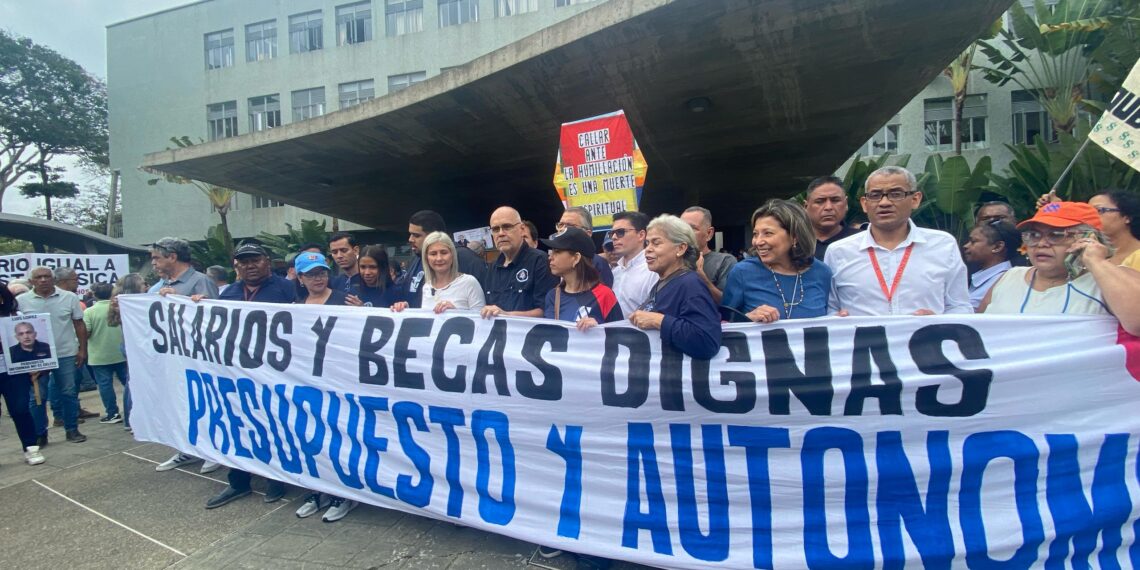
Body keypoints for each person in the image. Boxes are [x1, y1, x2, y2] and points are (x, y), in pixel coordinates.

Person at [204, 243, 292, 509]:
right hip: (237, 372)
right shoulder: (229, 293)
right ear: (236, 266)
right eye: (244, 262)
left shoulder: (287, 289)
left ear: (267, 261)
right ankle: (238, 481)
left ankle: (276, 479)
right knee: (237, 425)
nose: (250, 266)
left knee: (273, 425)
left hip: (274, 372)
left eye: (255, 260)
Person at [825, 166, 972, 316]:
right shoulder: (839, 251)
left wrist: (937, 322)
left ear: (915, 199)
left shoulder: (943, 245)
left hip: (926, 332)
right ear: (864, 203)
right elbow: (829, 308)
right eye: (875, 195)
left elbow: (960, 306)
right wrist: (836, 319)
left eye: (896, 194)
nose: (884, 202)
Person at [981, 201, 1140, 336]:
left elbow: (1136, 324)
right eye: (1034, 235)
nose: (1041, 244)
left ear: (1089, 238)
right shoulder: (1009, 277)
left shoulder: (1113, 279)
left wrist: (1096, 261)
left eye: (1056, 234)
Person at [289, 251, 358, 522]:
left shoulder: (345, 300)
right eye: (311, 275)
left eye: (321, 273)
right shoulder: (295, 306)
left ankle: (344, 493)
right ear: (300, 278)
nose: (317, 278)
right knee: (311, 435)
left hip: (340, 380)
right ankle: (317, 489)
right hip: (309, 382)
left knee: (341, 436)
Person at [149, 237, 221, 472]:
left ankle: (213, 449)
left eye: (156, 258)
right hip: (176, 357)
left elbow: (215, 319)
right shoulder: (162, 284)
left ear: (172, 257)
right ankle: (189, 448)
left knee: (205, 402)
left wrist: (181, 301)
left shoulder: (201, 281)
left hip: (201, 358)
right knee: (183, 405)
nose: (153, 263)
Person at [627, 215, 722, 359]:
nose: (647, 249)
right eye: (647, 243)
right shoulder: (662, 283)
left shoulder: (690, 284)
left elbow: (707, 342)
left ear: (681, 248)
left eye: (656, 243)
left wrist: (658, 321)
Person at [722, 200, 832, 322]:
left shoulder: (822, 272)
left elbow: (831, 316)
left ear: (795, 236)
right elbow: (724, 323)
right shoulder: (742, 273)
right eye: (755, 234)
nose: (758, 242)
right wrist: (748, 318)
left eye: (768, 233)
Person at [18, 266, 89, 445]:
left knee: (69, 392)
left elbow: (79, 324)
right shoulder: (21, 301)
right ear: (31, 281)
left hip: (66, 353)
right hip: (36, 357)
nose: (43, 280)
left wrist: (82, 349)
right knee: (37, 396)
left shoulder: (69, 297)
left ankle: (72, 429)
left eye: (46, 276)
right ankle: (39, 434)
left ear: (53, 279)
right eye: (38, 277)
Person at [480, 207, 559, 319]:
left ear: (521, 229)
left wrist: (507, 315)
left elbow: (547, 311)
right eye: (495, 229)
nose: (501, 233)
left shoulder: (540, 261)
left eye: (507, 227)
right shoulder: (491, 268)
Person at [401, 210, 487, 307]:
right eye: (433, 254)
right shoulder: (426, 283)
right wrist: (406, 308)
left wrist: (456, 312)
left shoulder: (467, 261)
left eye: (416, 235)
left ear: (433, 235)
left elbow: (481, 312)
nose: (410, 239)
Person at [541, 228, 623, 328]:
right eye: (551, 251)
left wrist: (598, 329)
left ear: (576, 258)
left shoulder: (605, 295)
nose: (550, 257)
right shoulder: (552, 296)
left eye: (557, 251)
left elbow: (620, 334)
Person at [0, 284, 45, 465]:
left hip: (14, 371)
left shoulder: (15, 317)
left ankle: (31, 448)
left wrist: (35, 365)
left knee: (20, 410)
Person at [392, 232, 485, 313]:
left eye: (444, 252)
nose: (439, 258)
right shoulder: (426, 287)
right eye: (433, 254)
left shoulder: (469, 283)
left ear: (452, 255)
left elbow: (482, 322)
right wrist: (406, 310)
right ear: (426, 258)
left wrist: (456, 313)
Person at [83, 283, 129, 425]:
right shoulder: (120, 307)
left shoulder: (89, 312)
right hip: (121, 353)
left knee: (105, 385)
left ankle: (112, 413)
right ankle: (134, 408)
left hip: (99, 355)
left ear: (94, 294)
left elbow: (86, 332)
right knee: (128, 383)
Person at [109, 273, 146, 432]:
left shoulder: (121, 302)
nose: (146, 286)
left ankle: (130, 419)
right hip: (135, 346)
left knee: (132, 382)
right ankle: (132, 419)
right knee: (134, 382)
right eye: (143, 284)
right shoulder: (128, 304)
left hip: (130, 345)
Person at [680, 206, 736, 303]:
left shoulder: (724, 261)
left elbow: (728, 302)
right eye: (681, 228)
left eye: (692, 228)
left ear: (709, 233)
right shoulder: (672, 261)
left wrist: (701, 277)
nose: (685, 233)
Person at [609, 211, 659, 317]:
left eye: (620, 232)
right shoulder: (614, 272)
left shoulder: (653, 270)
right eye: (611, 233)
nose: (614, 237)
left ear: (641, 235)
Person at [962, 221, 1021, 310]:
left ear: (997, 247)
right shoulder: (985, 277)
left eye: (973, 241)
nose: (966, 246)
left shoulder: (1004, 281)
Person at [804, 176, 862, 260]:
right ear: (806, 207)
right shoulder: (792, 242)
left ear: (846, 204)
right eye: (820, 201)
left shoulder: (862, 240)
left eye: (835, 200)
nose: (828, 207)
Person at [557, 206, 614, 287]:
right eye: (561, 225)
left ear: (587, 234)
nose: (562, 229)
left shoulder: (597, 264)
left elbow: (604, 294)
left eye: (570, 226)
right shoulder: (552, 262)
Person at [1089, 190, 1140, 270]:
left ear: (1127, 217)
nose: (1090, 216)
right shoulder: (1090, 254)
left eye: (1099, 210)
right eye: (1088, 212)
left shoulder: (1137, 255)